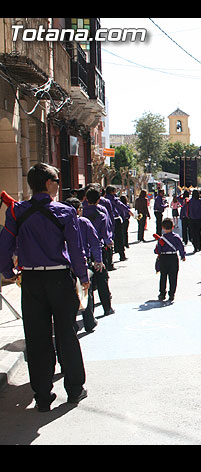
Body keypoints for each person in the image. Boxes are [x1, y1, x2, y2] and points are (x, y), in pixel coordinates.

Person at [0, 163, 89, 411]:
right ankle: (74, 389)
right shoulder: (65, 212)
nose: (59, 186)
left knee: (37, 338)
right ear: (49, 184)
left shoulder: (17, 212)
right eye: (57, 182)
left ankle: (42, 395)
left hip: (30, 281)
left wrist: (8, 272)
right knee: (67, 335)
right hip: (60, 279)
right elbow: (76, 249)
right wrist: (83, 276)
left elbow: (4, 245)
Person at [63, 197, 102, 334]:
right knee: (86, 291)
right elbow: (95, 242)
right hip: (82, 262)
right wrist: (98, 260)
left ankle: (72, 323)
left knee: (69, 295)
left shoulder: (60, 222)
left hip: (65, 264)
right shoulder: (84, 222)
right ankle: (89, 321)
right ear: (78, 210)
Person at [83, 188, 116, 317]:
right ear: (99, 199)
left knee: (87, 283)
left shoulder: (81, 213)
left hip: (85, 251)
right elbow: (106, 232)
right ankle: (107, 308)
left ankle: (89, 314)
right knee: (102, 280)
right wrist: (109, 242)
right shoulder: (102, 214)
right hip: (99, 250)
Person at [154, 218, 186, 302]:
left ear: (163, 228)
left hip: (164, 258)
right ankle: (171, 294)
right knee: (173, 276)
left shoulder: (161, 239)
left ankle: (162, 294)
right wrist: (182, 256)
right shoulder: (176, 237)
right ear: (173, 227)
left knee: (163, 276)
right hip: (173, 257)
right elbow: (181, 247)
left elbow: (157, 250)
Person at [105, 185, 130, 262]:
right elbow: (120, 205)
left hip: (107, 221)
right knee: (119, 238)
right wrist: (128, 211)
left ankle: (109, 260)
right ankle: (122, 255)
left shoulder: (104, 199)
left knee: (110, 239)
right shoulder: (113, 198)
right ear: (112, 191)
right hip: (115, 220)